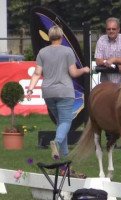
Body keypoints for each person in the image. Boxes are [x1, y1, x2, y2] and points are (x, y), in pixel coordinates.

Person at [27, 25, 90, 160]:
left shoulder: (42, 52)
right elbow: (73, 73)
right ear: (61, 37)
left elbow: (37, 73)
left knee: (61, 123)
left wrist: (30, 89)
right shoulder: (67, 51)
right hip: (65, 91)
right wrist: (84, 70)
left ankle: (63, 155)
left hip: (48, 92)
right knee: (66, 122)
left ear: (49, 37)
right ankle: (56, 142)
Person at [94, 17, 121, 143]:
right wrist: (116, 63)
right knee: (110, 110)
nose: (111, 31)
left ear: (118, 29)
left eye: (113, 29)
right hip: (109, 83)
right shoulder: (101, 40)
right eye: (108, 29)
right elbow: (98, 60)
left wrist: (113, 60)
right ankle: (111, 136)